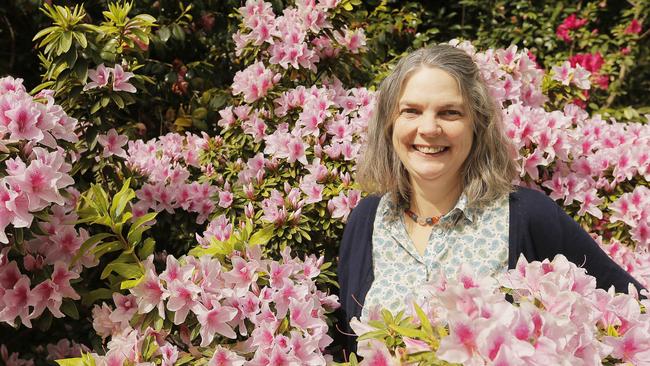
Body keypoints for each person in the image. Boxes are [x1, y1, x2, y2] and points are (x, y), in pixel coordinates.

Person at [336, 44, 644, 353]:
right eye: (411, 111)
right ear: (390, 124)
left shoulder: (526, 215)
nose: (428, 128)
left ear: (477, 125)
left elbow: (636, 310)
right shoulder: (368, 219)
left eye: (450, 112)